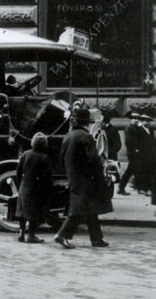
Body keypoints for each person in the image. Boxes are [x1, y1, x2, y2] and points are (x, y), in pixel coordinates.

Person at [54, 106, 112, 249]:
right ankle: (62, 235)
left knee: (90, 209)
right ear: (87, 122)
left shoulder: (68, 136)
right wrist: (101, 177)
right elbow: (94, 160)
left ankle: (97, 239)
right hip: (87, 179)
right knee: (79, 210)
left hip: (73, 177)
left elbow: (61, 158)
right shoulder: (86, 137)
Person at [15, 132, 53, 244]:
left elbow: (18, 171)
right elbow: (47, 177)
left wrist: (20, 183)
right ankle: (31, 236)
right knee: (33, 213)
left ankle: (21, 234)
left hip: (24, 186)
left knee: (22, 212)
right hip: (36, 188)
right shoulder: (44, 157)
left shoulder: (25, 154)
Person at [117, 112, 142, 196]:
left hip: (135, 152)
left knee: (134, 169)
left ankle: (136, 186)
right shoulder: (129, 128)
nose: (136, 120)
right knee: (130, 170)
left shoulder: (136, 127)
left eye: (137, 119)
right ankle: (121, 188)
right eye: (135, 119)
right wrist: (135, 149)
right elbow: (128, 141)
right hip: (132, 152)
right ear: (132, 119)